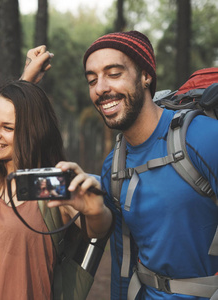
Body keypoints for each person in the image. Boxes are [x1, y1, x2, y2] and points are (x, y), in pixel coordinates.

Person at [0, 0, 112, 299]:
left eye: (7, 128)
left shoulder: (47, 186)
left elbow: (97, 227)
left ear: (31, 132)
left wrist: (95, 210)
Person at [80, 31, 218, 299]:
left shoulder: (204, 137)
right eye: (92, 79)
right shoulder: (114, 165)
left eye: (114, 73)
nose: (100, 88)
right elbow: (123, 260)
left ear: (146, 75)